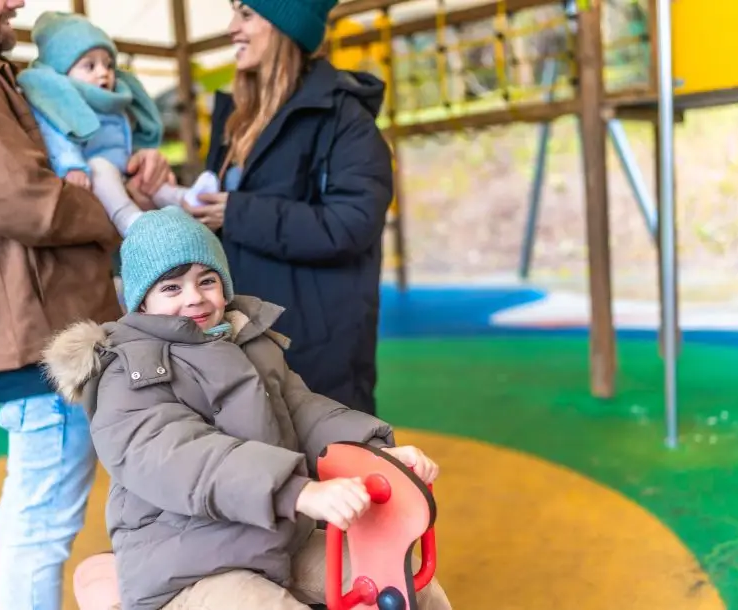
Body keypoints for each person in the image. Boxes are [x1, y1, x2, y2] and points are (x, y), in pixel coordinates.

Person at [0, 1, 171, 608]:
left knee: (44, 509)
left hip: (47, 322)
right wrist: (129, 213)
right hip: (39, 334)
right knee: (41, 520)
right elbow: (27, 201)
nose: (18, 1)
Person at [42, 207, 451, 610]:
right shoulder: (127, 373)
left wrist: (372, 457)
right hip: (186, 562)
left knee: (406, 586)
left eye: (207, 280)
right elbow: (183, 458)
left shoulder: (247, 343)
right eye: (172, 288)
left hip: (274, 538)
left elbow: (305, 413)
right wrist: (297, 491)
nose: (195, 298)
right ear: (142, 303)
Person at [192, 0, 394, 416]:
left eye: (246, 14)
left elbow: (352, 224)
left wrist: (238, 213)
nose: (232, 28)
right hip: (244, 338)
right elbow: (221, 214)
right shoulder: (239, 119)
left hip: (318, 351)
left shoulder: (344, 119)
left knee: (333, 471)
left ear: (287, 29)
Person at [18, 11, 221, 238]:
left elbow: (123, 139)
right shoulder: (59, 104)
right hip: (92, 174)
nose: (103, 73)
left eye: (108, 64)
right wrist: (71, 166)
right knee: (100, 166)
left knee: (148, 177)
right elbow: (55, 137)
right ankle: (129, 219)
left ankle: (187, 199)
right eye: (90, 66)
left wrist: (139, 156)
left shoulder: (114, 105)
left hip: (124, 172)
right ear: (63, 72)